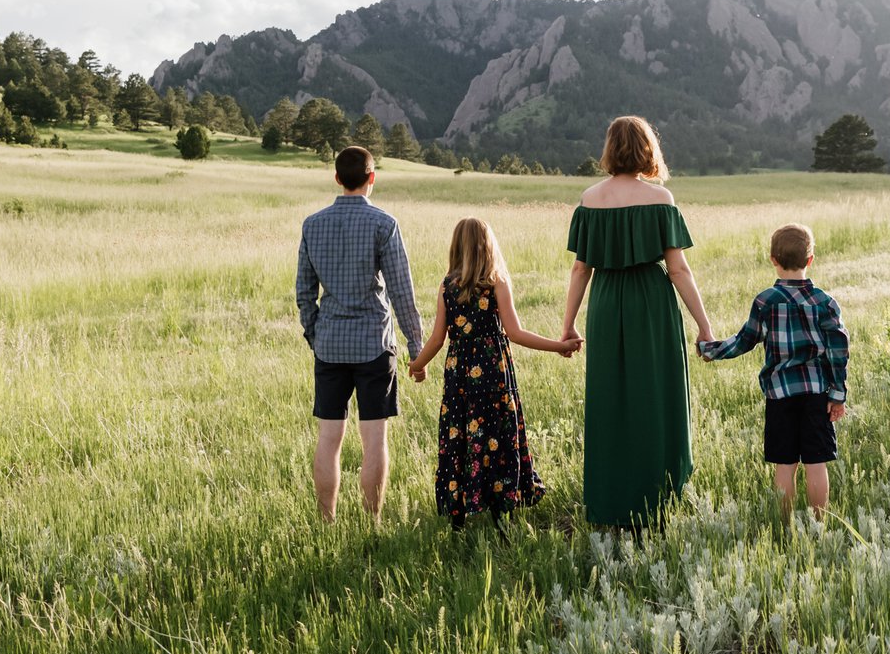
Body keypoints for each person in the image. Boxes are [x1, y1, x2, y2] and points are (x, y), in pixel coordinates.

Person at [562, 116, 714, 526]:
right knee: (657, 397)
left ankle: (611, 498)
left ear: (610, 149)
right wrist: (704, 325)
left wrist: (568, 324)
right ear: (648, 149)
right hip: (652, 304)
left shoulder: (589, 199)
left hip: (607, 304)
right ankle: (659, 494)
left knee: (609, 400)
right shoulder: (661, 199)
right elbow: (679, 270)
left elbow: (581, 270)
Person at [409, 217, 578, 530]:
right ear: (488, 246)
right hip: (494, 375)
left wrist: (418, 364)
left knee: (459, 439)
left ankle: (458, 518)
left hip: (460, 378)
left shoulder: (448, 286)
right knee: (498, 439)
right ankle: (502, 515)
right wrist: (558, 345)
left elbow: (436, 339)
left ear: (456, 247)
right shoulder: (496, 281)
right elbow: (515, 332)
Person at [295, 145, 424, 524]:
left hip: (330, 346)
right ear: (372, 178)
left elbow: (304, 292)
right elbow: (401, 290)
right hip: (373, 346)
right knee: (374, 441)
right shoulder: (385, 224)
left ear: (337, 179)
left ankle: (326, 520)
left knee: (328, 439)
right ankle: (372, 522)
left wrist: (316, 334)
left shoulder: (312, 224)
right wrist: (417, 348)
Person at [698, 223, 849, 518]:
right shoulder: (825, 302)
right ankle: (819, 522)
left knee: (785, 463)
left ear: (773, 260)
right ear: (810, 259)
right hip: (817, 392)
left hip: (780, 394)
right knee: (817, 462)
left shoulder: (766, 301)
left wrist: (710, 349)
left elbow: (744, 341)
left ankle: (786, 521)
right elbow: (838, 351)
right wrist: (838, 393)